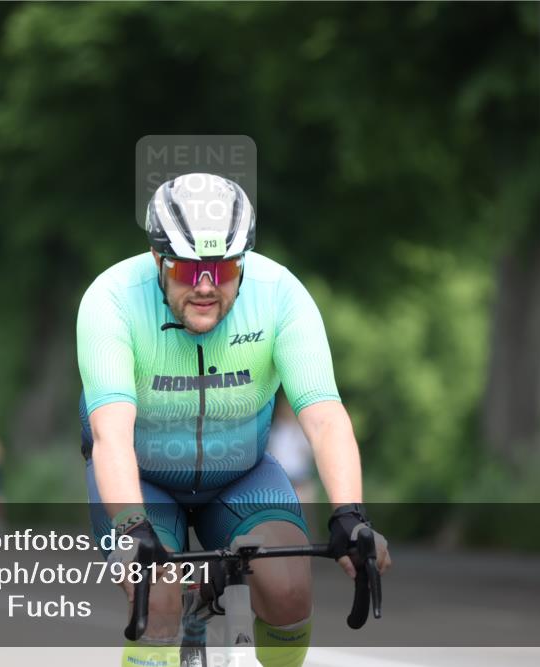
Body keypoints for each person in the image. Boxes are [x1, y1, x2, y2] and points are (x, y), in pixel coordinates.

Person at [76, 173, 390, 667]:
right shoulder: (112, 298)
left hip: (241, 473)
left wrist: (350, 515)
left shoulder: (280, 295)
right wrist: (132, 527)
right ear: (158, 258)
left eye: (222, 270)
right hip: (142, 479)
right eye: (186, 269)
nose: (205, 288)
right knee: (157, 600)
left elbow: (326, 417)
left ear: (243, 261)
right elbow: (110, 434)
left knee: (288, 593)